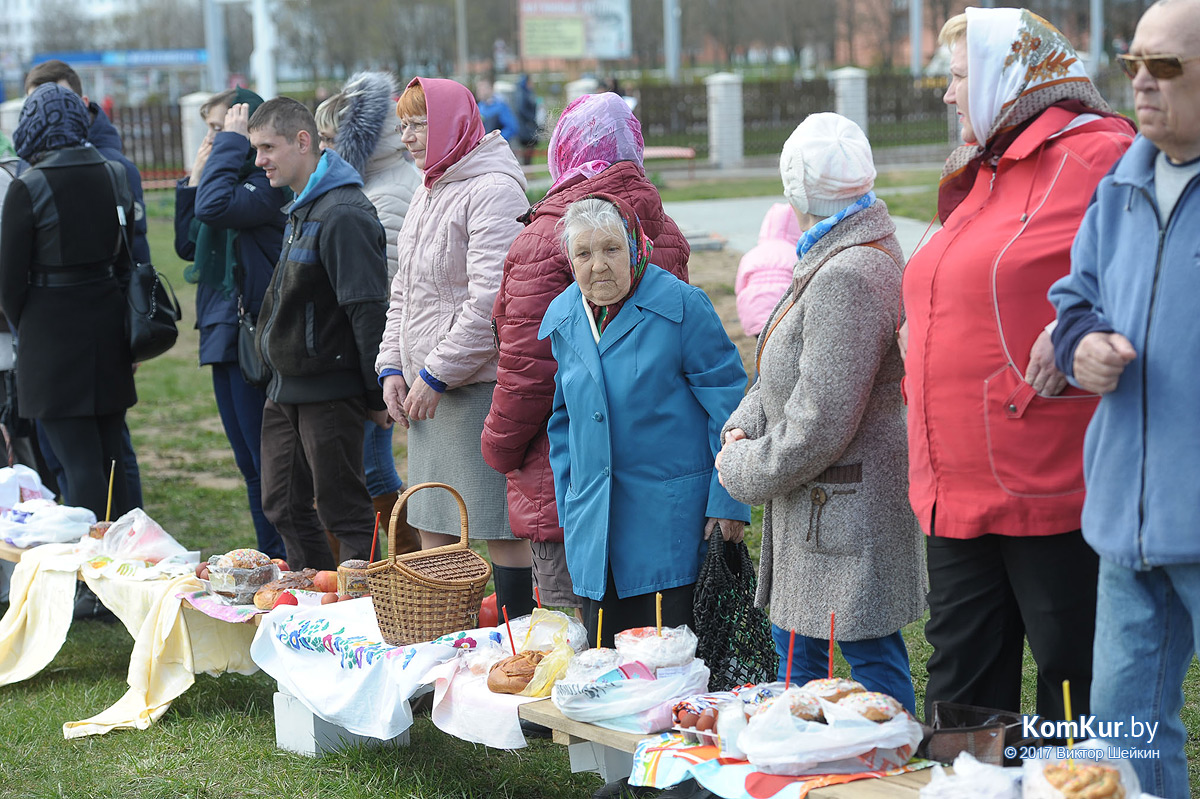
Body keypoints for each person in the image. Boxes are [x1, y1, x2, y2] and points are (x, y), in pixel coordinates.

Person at [899, 7, 1134, 723]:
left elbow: (1157, 273)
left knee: (1073, 680)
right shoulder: (988, 166)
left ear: (1011, 78)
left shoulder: (1102, 154)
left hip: (1049, 482)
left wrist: (1083, 324)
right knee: (962, 688)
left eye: (960, 76)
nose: (947, 93)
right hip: (955, 484)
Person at [715, 114, 925, 715]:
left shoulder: (851, 272)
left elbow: (820, 420)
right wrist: (747, 420)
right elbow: (784, 361)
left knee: (866, 661)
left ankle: (885, 768)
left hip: (840, 505)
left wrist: (744, 466)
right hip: (824, 504)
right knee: (801, 661)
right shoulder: (835, 250)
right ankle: (812, 767)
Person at [1048, 0, 1200, 792]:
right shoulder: (1122, 178)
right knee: (1122, 737)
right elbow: (1075, 299)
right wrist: (1083, 348)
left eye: (1165, 66)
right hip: (1126, 525)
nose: (1140, 82)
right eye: (1132, 63)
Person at [482, 91, 690, 614]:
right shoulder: (661, 227)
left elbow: (529, 373)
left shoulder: (550, 237)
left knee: (580, 645)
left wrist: (499, 449)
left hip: (569, 476)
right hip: (651, 471)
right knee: (649, 640)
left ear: (566, 150)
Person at [541, 193, 750, 651]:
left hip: (670, 530)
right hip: (597, 535)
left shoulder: (681, 308)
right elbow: (563, 421)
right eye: (584, 253)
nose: (598, 266)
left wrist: (728, 503)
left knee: (671, 670)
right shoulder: (565, 318)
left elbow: (733, 412)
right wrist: (571, 504)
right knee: (609, 675)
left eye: (611, 249)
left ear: (635, 247)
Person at [376, 78, 533, 616]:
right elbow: (405, 291)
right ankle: (442, 638)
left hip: (473, 388)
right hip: (425, 390)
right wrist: (392, 366)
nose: (409, 136)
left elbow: (490, 301)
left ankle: (515, 634)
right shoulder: (429, 186)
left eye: (420, 123)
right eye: (403, 125)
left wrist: (436, 373)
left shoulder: (494, 189)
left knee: (493, 520)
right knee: (432, 515)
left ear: (454, 123)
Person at [247, 97, 390, 570]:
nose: (259, 160)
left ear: (302, 141)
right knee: (282, 506)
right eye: (255, 148)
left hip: (330, 391)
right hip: (284, 388)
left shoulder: (343, 212)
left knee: (344, 512)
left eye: (268, 146)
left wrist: (376, 395)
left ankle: (362, 616)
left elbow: (367, 310)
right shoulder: (303, 207)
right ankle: (315, 600)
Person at [0, 83, 136, 520]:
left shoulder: (28, 186)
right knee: (109, 460)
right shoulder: (113, 173)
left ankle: (87, 579)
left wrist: (30, 324)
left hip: (50, 334)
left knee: (77, 466)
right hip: (108, 323)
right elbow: (124, 255)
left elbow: (7, 281)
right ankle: (119, 564)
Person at [174, 87, 287, 560]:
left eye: (225, 130)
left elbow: (214, 208)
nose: (215, 140)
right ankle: (272, 561)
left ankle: (286, 562)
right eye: (215, 132)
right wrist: (197, 175)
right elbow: (186, 242)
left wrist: (222, 157)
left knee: (268, 467)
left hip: (254, 333)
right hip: (223, 331)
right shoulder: (224, 180)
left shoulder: (266, 186)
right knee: (248, 462)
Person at [314, 71, 422, 555]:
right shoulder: (376, 183)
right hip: (372, 357)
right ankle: (390, 569)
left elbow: (384, 292)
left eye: (329, 139)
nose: (322, 148)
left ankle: (403, 569)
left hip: (376, 357)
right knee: (369, 468)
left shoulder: (383, 195)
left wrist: (381, 376)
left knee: (372, 470)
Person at [733, 202, 801, 339]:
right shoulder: (796, 254)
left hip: (753, 311)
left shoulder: (751, 254)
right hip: (783, 313)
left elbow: (739, 287)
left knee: (763, 346)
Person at [475, 78, 518, 143]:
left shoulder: (500, 106)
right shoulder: (479, 107)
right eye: (478, 89)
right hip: (483, 148)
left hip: (496, 148)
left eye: (482, 89)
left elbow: (512, 128)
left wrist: (496, 141)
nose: (479, 91)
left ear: (491, 89)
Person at [514, 75, 540, 165]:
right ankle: (527, 170)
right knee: (528, 149)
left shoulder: (526, 93)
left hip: (527, 126)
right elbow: (522, 109)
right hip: (526, 128)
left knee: (529, 150)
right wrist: (531, 118)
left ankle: (528, 170)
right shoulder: (522, 94)